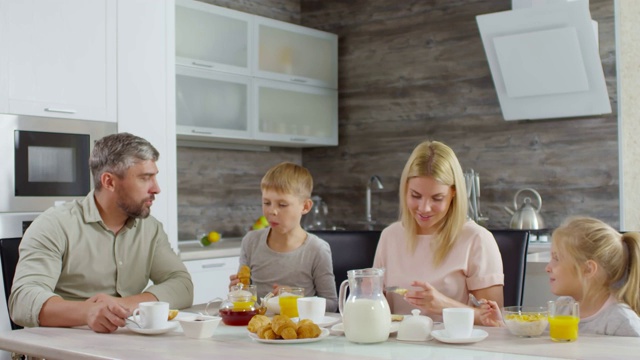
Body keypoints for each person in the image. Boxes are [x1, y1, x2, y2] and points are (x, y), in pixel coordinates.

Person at [9, 133, 194, 333]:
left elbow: (181, 284)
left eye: (154, 176)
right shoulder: (54, 225)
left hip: (125, 345)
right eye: (145, 178)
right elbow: (22, 300)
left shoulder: (150, 228)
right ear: (109, 182)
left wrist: (126, 305)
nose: (156, 189)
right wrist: (87, 312)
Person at [373, 140, 503, 323]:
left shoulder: (476, 239)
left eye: (437, 198)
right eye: (415, 196)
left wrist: (443, 305)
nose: (424, 208)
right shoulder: (390, 236)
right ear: (405, 190)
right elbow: (375, 308)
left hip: (453, 348)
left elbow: (494, 321)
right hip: (397, 347)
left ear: (453, 193)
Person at [480, 217, 640, 336]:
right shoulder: (563, 307)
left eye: (556, 258)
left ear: (588, 269)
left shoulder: (620, 321)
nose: (548, 267)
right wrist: (502, 324)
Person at [228, 162, 338, 312]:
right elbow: (247, 297)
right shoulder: (251, 241)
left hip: (298, 328)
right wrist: (238, 291)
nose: (272, 211)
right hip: (258, 330)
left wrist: (297, 298)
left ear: (305, 207)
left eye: (282, 205)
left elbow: (332, 305)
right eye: (266, 203)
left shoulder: (317, 249)